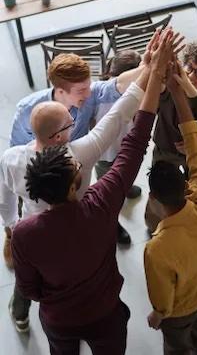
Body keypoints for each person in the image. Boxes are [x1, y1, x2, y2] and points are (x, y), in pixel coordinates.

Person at [11, 29, 174, 355]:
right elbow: (131, 137)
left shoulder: (24, 230)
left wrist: (147, 69)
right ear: (76, 181)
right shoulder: (99, 205)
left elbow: (30, 286)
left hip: (59, 318)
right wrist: (155, 76)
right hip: (103, 313)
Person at [0, 76, 145, 331]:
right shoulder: (78, 154)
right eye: (70, 122)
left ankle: (20, 311)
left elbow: (5, 200)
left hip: (33, 230)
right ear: (57, 136)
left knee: (31, 272)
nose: (74, 123)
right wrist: (150, 73)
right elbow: (118, 116)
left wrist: (12, 226)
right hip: (76, 224)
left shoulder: (11, 158)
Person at [8, 52, 145, 246]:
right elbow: (19, 153)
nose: (88, 94)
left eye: (89, 86)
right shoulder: (26, 110)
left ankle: (111, 225)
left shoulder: (88, 97)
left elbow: (116, 86)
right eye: (81, 90)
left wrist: (146, 67)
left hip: (78, 169)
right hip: (43, 184)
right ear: (60, 91)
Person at [144, 63, 197, 355]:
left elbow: (163, 294)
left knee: (176, 347)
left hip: (181, 310)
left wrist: (159, 313)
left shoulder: (158, 248)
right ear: (185, 182)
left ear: (153, 197)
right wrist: (179, 94)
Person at [145, 41, 197, 233]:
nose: (191, 75)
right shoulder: (170, 85)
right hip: (164, 148)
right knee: (159, 191)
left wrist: (194, 145)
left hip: (193, 157)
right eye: (190, 67)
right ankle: (155, 224)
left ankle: (186, 226)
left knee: (191, 192)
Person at [95, 50, 143, 242]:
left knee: (125, 173)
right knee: (108, 192)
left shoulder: (135, 92)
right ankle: (112, 225)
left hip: (123, 147)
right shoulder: (100, 94)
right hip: (104, 153)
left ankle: (127, 187)